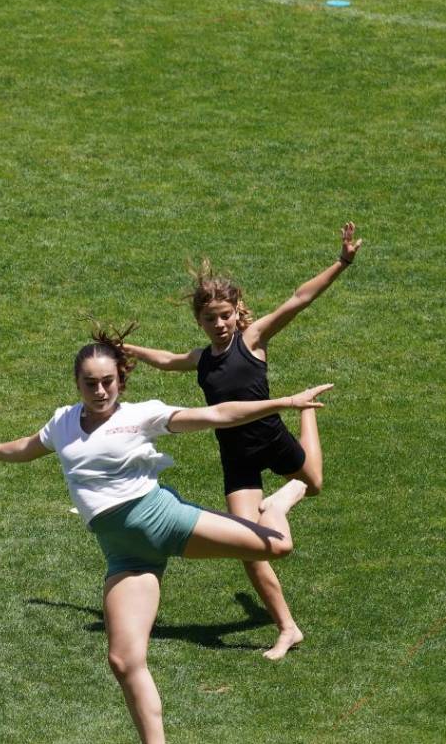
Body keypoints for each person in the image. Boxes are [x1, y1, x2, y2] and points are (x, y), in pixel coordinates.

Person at [0, 325, 330, 744]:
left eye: (108, 382)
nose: (101, 391)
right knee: (124, 660)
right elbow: (26, 448)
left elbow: (217, 415)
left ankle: (276, 506)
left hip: (165, 520)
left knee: (280, 546)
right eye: (91, 384)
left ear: (120, 381)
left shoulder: (140, 416)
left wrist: (285, 403)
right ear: (77, 383)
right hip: (125, 554)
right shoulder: (63, 422)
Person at [122, 223, 361, 659]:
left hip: (271, 437)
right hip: (236, 456)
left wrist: (342, 262)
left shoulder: (253, 340)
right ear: (199, 320)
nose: (219, 324)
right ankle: (287, 628)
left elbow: (299, 299)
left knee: (315, 482)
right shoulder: (200, 360)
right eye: (209, 319)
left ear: (238, 312)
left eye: (225, 316)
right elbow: (167, 359)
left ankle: (304, 415)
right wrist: (129, 349)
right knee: (249, 546)